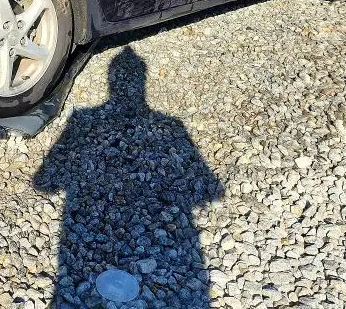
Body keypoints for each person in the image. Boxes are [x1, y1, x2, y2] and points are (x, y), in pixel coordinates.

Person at [34, 47, 224, 307]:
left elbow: (44, 182)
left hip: (85, 221)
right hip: (160, 234)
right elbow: (211, 190)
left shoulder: (81, 119)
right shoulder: (171, 126)